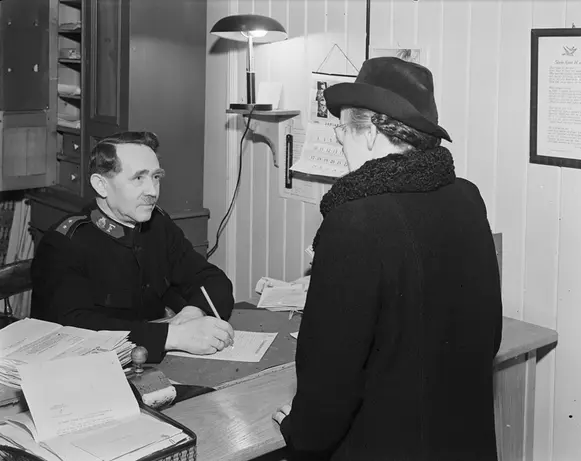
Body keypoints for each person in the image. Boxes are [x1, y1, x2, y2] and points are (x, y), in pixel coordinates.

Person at [272, 57, 503, 460]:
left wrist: (300, 432)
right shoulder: (467, 197)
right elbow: (488, 334)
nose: (339, 140)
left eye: (343, 128)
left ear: (372, 133)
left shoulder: (353, 221)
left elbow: (330, 377)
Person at [31, 131, 235, 363]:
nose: (152, 191)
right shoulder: (65, 242)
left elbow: (212, 280)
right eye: (138, 178)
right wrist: (171, 336)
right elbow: (72, 329)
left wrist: (192, 313)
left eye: (156, 177)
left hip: (152, 365)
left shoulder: (158, 225)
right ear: (101, 185)